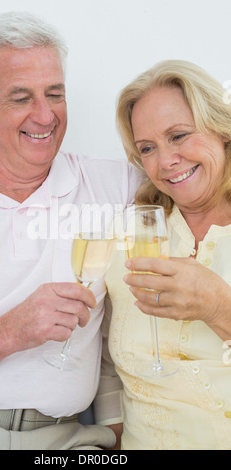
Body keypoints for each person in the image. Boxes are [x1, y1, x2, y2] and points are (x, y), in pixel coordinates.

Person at [0, 11, 139, 450]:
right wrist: (6, 332)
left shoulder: (115, 184)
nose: (45, 116)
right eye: (21, 97)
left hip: (68, 440)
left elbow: (206, 188)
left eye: (55, 93)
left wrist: (117, 430)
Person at [105, 59, 231, 450]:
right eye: (147, 148)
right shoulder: (129, 236)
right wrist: (109, 441)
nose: (165, 161)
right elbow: (107, 364)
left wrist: (219, 307)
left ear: (222, 129)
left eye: (178, 136)